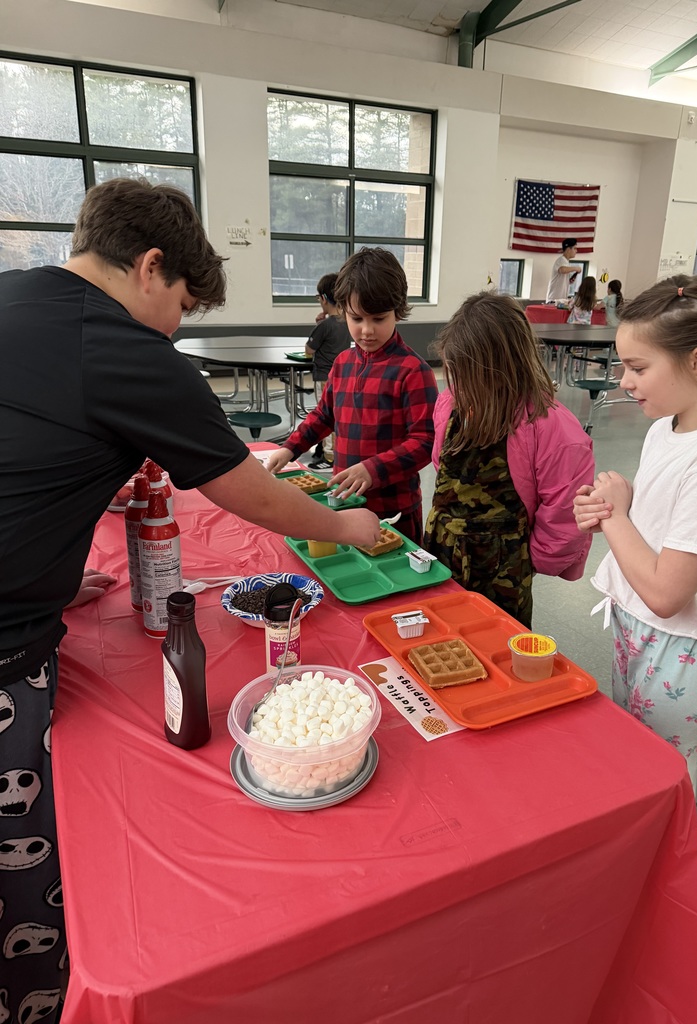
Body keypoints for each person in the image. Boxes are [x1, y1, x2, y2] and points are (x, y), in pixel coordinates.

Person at [0, 178, 381, 1020]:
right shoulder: (122, 348)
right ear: (149, 267)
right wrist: (347, 529)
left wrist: (53, 573)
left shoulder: (16, 296)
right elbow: (250, 492)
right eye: (181, 302)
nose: (177, 325)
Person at [573, 275, 697, 814]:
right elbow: (659, 530)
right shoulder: (670, 427)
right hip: (640, 633)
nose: (626, 381)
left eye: (638, 368)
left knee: (662, 798)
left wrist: (615, 518)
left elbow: (667, 592)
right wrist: (616, 508)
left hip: (686, 654)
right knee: (632, 775)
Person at [424, 292, 594, 629]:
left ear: (505, 369)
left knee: (494, 643)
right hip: (441, 554)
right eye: (455, 374)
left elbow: (566, 512)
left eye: (470, 376)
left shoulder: (552, 429)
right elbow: (441, 467)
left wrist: (534, 560)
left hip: (503, 571)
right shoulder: (450, 404)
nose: (460, 386)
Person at [266, 248, 438, 545]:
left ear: (398, 311)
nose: (367, 330)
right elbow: (324, 416)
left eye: (379, 318)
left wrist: (374, 469)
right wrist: (290, 448)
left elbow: (426, 441)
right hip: (344, 505)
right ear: (342, 310)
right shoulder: (343, 363)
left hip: (393, 510)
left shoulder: (412, 371)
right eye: (357, 318)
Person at [305, 272, 352, 469]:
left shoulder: (324, 326)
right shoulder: (347, 321)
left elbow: (309, 351)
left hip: (324, 376)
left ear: (324, 298)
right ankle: (325, 449)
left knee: (325, 413)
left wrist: (319, 327)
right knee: (337, 412)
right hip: (343, 376)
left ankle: (329, 456)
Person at [546, 238, 580, 303]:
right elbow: (562, 270)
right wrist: (576, 268)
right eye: (574, 248)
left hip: (561, 300)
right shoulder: (561, 260)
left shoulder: (566, 262)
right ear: (568, 249)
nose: (576, 251)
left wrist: (569, 280)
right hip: (554, 299)